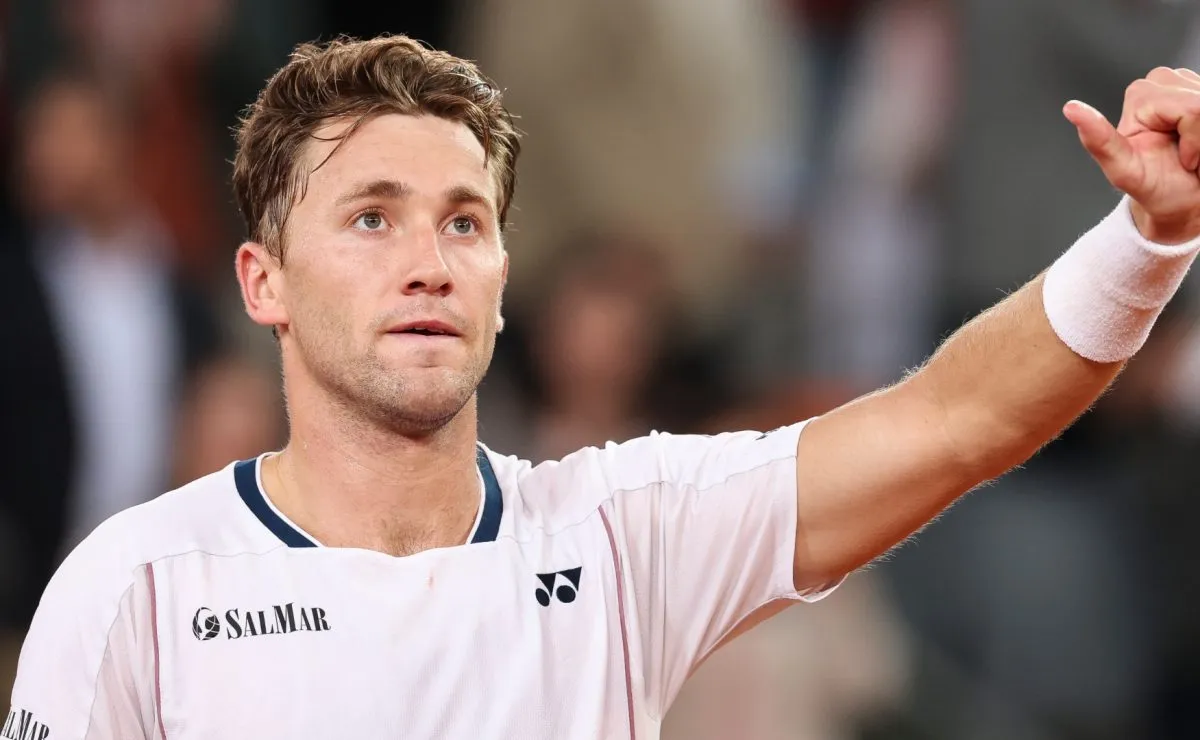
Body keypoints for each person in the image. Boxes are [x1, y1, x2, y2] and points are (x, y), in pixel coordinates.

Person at [6, 35, 1200, 739]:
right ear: (262, 282)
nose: (429, 261)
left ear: (502, 281)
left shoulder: (621, 535)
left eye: (464, 222)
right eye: (371, 217)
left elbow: (957, 418)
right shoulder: (133, 585)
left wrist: (1149, 238)